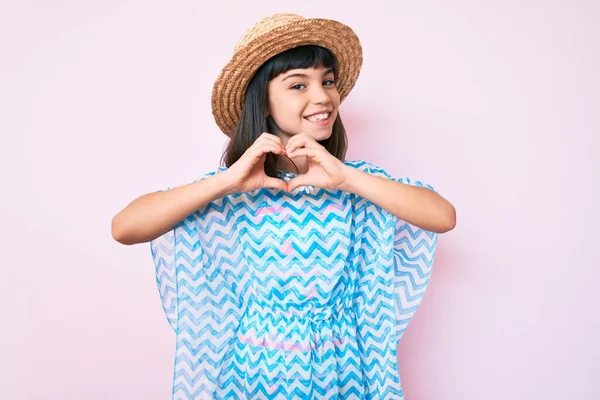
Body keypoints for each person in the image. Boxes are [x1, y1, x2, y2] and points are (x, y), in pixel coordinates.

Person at [112, 13, 456, 400]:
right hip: (255, 371)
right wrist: (226, 182)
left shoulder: (355, 182)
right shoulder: (232, 190)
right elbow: (126, 227)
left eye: (327, 81)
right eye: (298, 85)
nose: (323, 96)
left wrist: (346, 178)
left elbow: (442, 216)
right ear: (263, 99)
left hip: (340, 368)